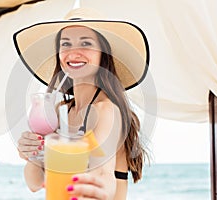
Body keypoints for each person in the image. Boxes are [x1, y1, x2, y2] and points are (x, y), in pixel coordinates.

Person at [15, 8, 150, 200]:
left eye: (86, 43)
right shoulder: (60, 110)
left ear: (103, 54)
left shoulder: (106, 110)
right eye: (66, 44)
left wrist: (98, 186)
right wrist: (32, 154)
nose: (74, 52)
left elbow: (104, 175)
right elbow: (35, 183)